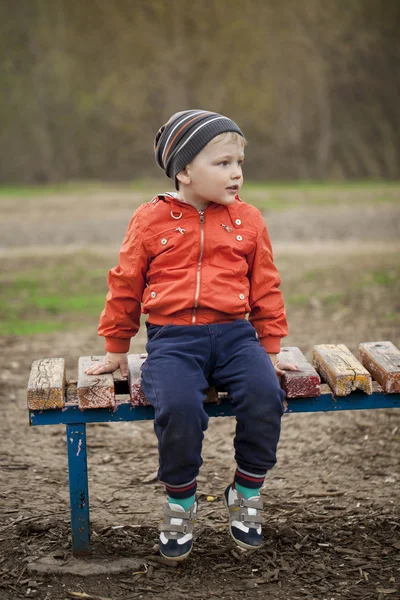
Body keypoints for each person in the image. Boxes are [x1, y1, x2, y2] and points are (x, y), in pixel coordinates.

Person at [85, 110, 297, 561]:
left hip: (237, 338)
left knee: (264, 396)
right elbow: (125, 283)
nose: (236, 173)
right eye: (222, 164)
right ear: (183, 170)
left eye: (239, 163)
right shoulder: (150, 220)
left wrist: (271, 348)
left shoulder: (248, 220)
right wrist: (116, 348)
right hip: (173, 340)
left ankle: (245, 491)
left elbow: (266, 286)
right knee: (179, 406)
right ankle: (180, 502)